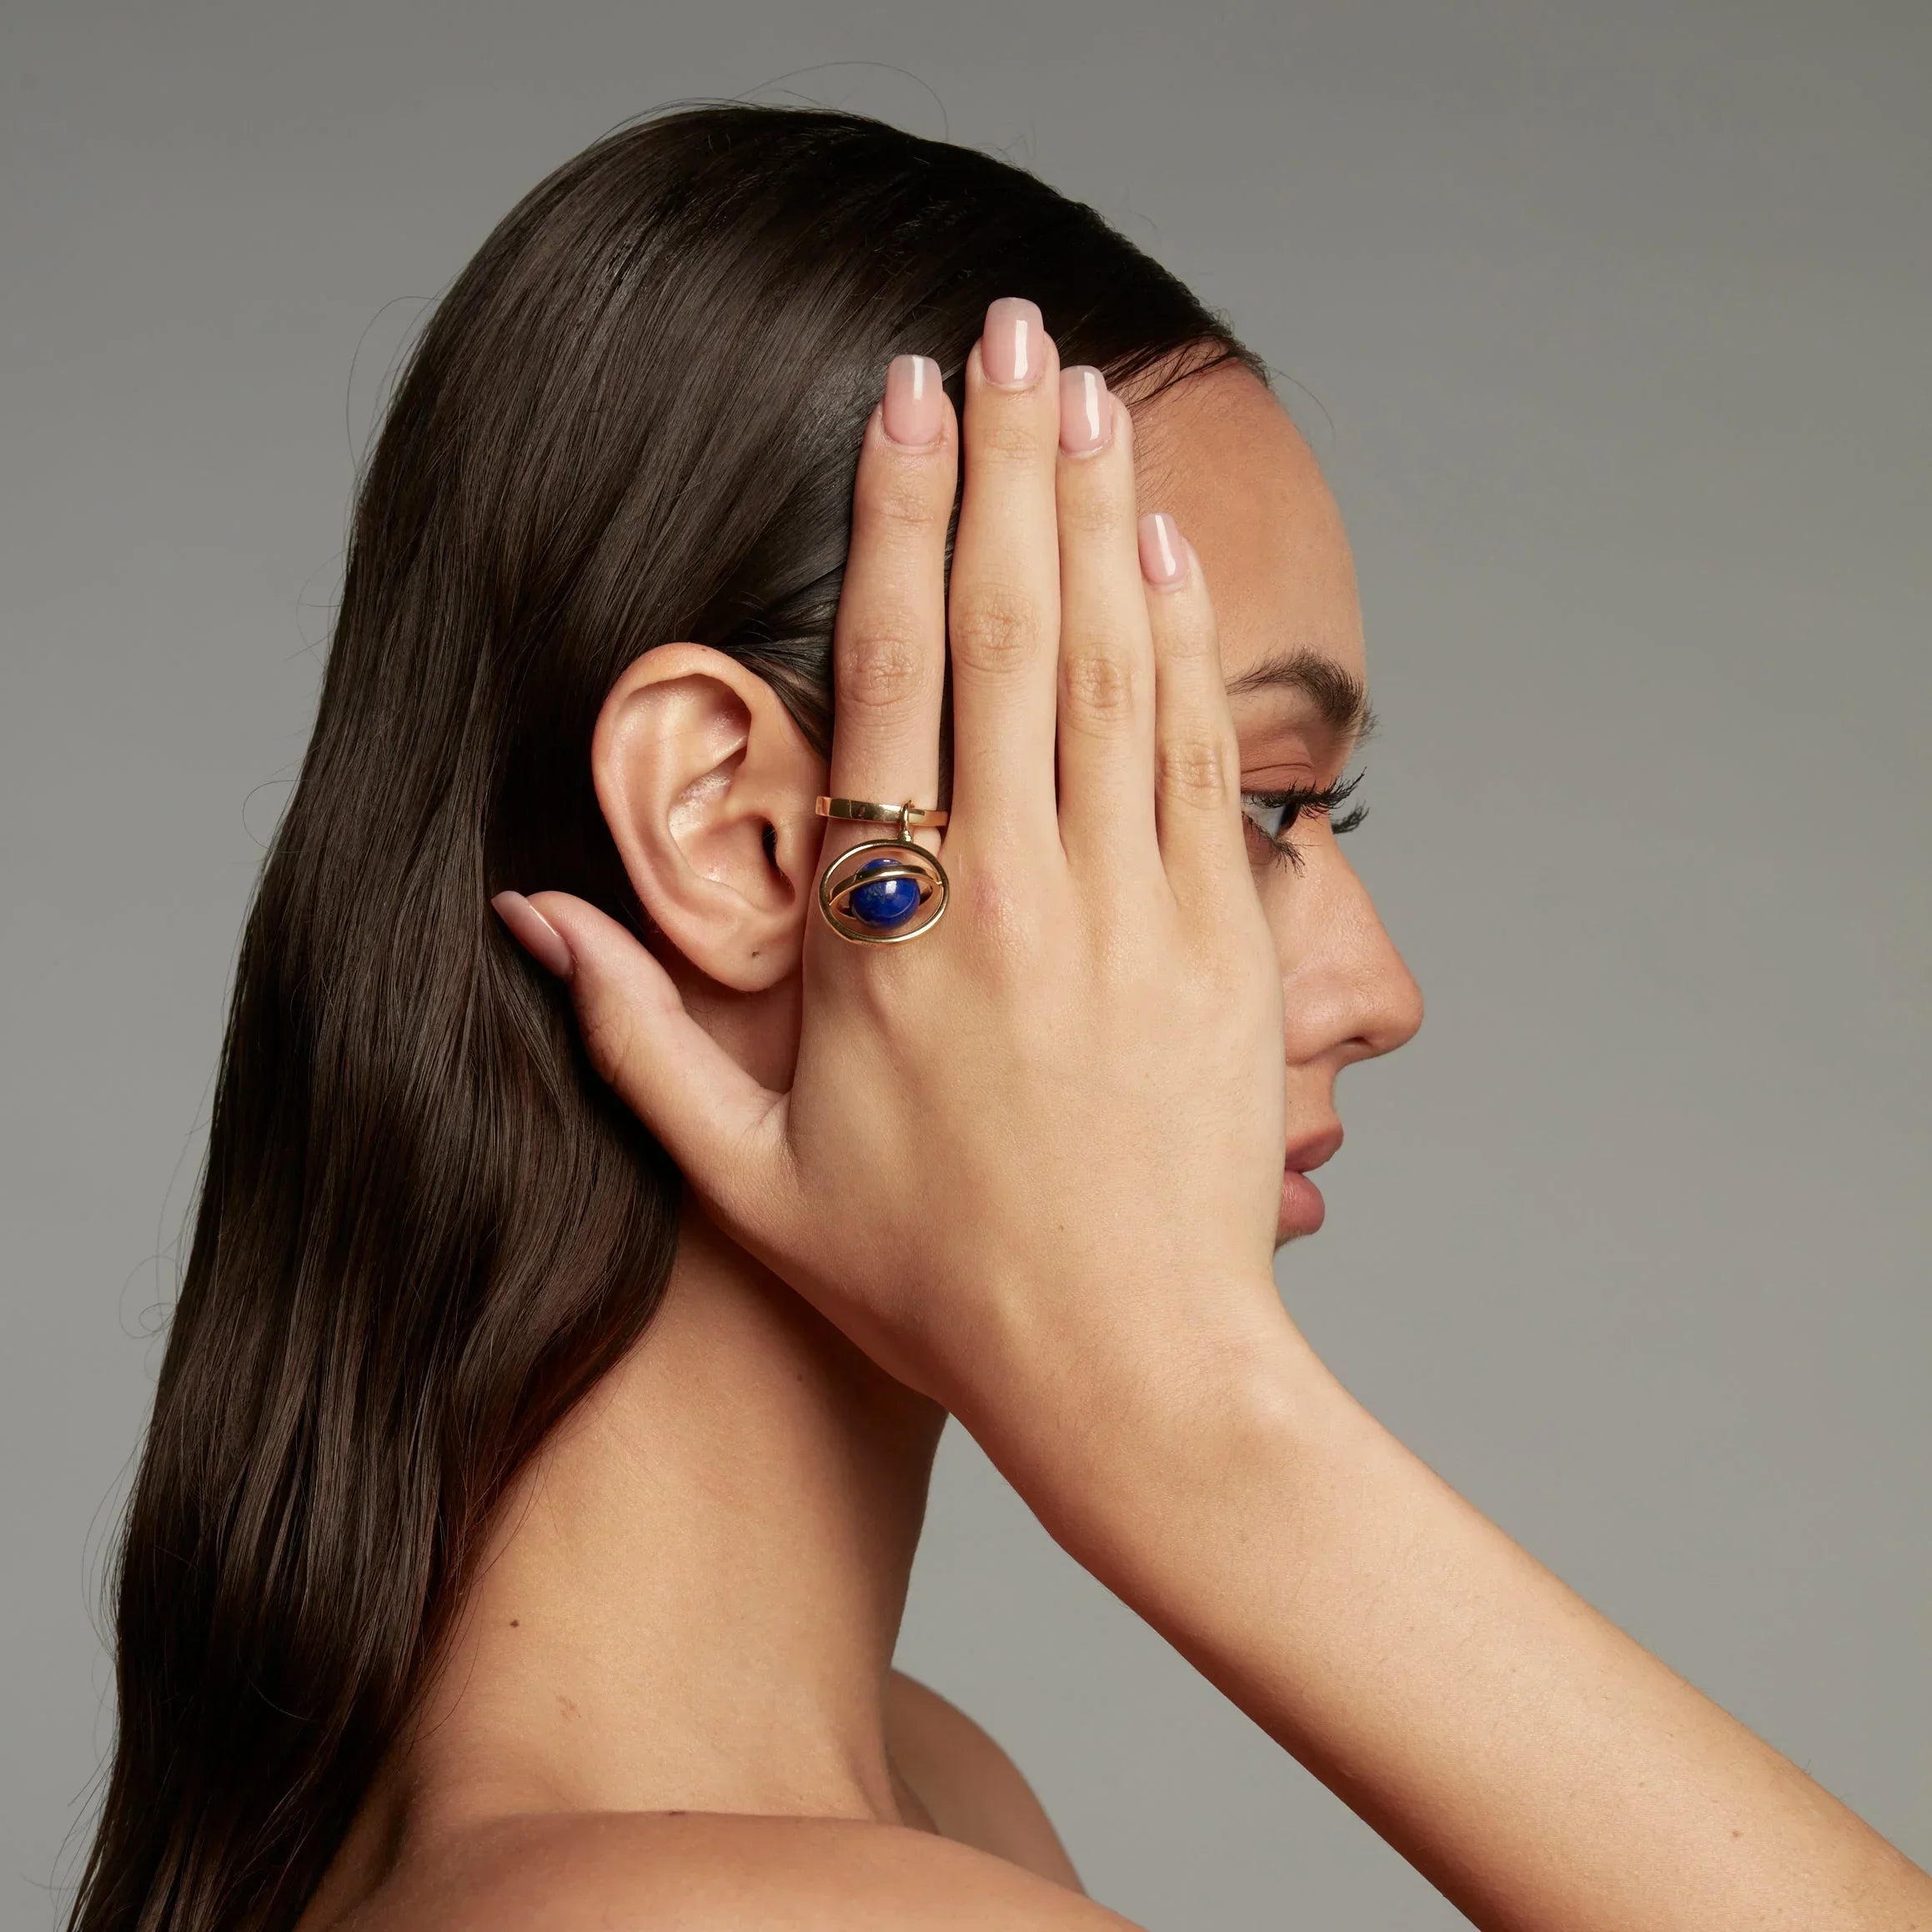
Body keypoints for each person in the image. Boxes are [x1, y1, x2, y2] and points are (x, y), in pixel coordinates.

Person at [70, 104, 1926, 1932]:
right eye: (1254, 804)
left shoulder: (919, 1792)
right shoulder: (714, 1903)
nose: (1381, 994)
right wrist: (1183, 1424)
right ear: (746, 837)